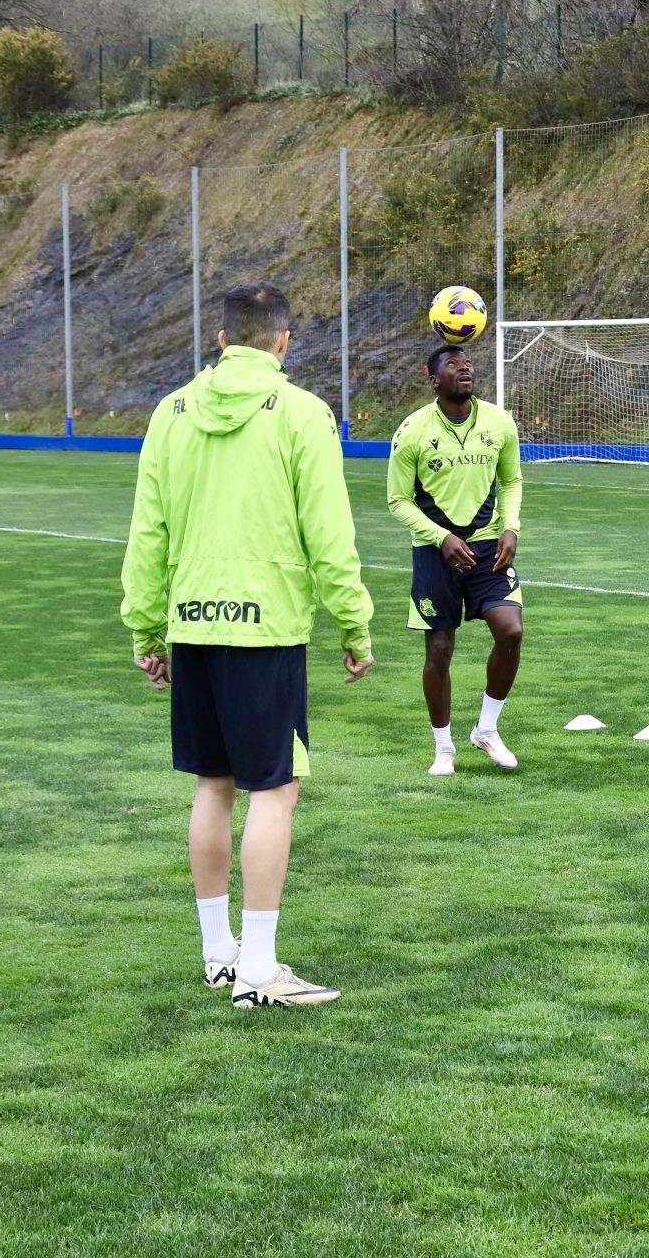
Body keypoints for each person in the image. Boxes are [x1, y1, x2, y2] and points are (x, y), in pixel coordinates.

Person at [120, 280, 374, 1010]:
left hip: (192, 620)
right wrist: (354, 623)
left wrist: (146, 627)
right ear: (285, 341)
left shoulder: (170, 412)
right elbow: (329, 531)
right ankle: (258, 969)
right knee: (275, 788)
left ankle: (218, 954)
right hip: (264, 628)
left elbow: (148, 530)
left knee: (213, 783)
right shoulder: (303, 413)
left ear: (223, 339)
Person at [386, 343, 524, 776]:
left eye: (467, 364)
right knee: (440, 651)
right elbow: (397, 500)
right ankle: (443, 748)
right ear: (433, 380)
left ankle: (486, 729)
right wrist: (441, 537)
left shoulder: (500, 422)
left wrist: (510, 528)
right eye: (452, 365)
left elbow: (511, 480)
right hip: (434, 552)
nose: (464, 369)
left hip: (487, 547)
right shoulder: (412, 431)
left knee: (511, 630)